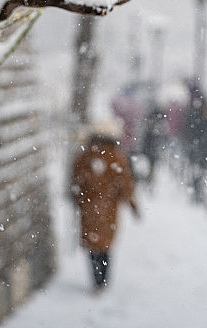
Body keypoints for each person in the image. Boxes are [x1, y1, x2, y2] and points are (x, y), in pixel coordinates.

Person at [71, 120, 139, 290]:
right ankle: (103, 280)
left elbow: (75, 182)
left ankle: (96, 279)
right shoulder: (116, 157)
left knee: (92, 246)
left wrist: (78, 200)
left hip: (88, 209)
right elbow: (126, 184)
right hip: (108, 210)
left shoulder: (84, 156)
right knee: (105, 246)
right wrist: (132, 205)